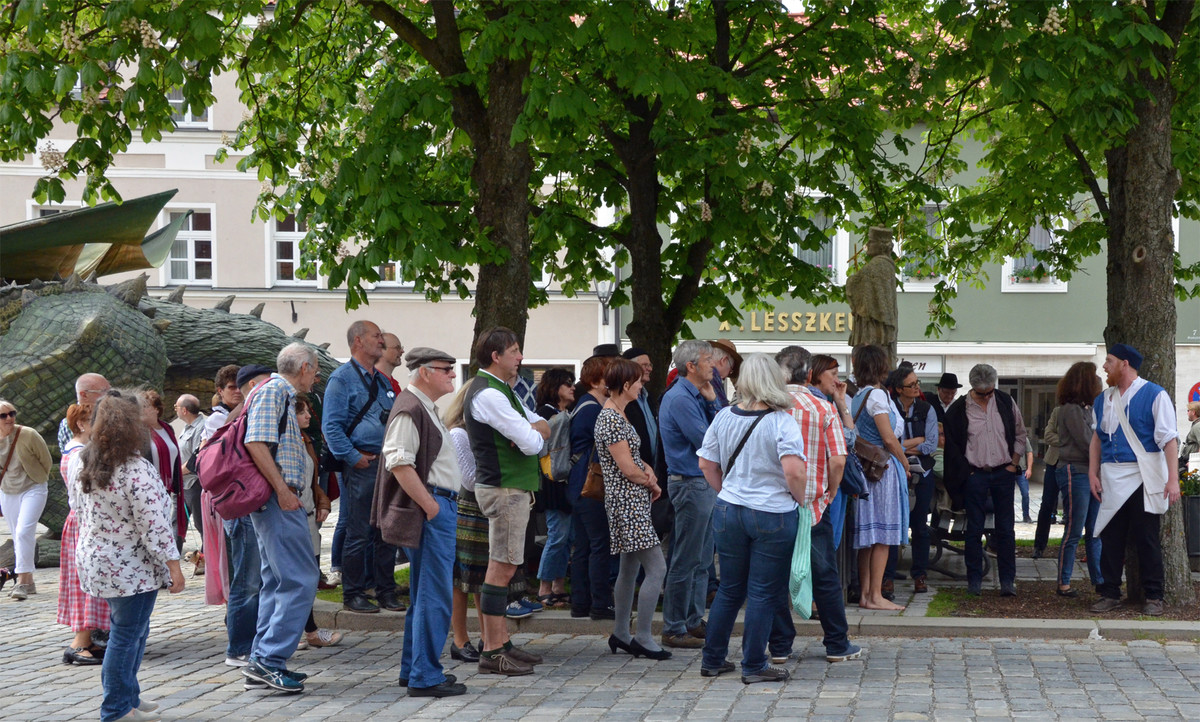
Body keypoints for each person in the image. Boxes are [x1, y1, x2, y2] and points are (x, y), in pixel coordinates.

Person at [70, 390, 184, 722]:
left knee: (132, 631)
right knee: (126, 635)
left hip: (101, 562)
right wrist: (174, 567)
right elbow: (154, 525)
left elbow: (78, 511)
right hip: (130, 567)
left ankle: (128, 696)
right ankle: (117, 708)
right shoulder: (135, 468)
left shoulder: (87, 461)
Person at [697, 354, 807, 685]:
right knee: (762, 591)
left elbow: (706, 465)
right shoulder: (781, 421)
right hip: (772, 512)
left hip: (729, 510)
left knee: (730, 588)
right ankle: (754, 663)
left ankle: (713, 658)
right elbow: (793, 470)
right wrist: (799, 499)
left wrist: (727, 491)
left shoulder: (723, 417)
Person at [463, 327, 550, 675]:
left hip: (510, 488)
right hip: (503, 488)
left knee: (504, 565)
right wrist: (534, 435)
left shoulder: (500, 391)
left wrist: (535, 433)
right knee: (502, 567)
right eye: (514, 351)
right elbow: (532, 441)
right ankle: (493, 648)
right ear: (495, 356)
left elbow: (540, 426)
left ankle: (499, 643)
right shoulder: (489, 395)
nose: (520, 357)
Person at [380, 347, 466, 697]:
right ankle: (425, 676)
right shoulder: (410, 407)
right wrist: (431, 507)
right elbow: (398, 462)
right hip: (434, 510)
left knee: (425, 596)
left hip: (438, 507)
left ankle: (416, 669)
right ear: (426, 371)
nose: (452, 375)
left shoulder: (420, 407)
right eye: (446, 369)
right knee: (435, 596)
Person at [240, 343, 322, 692]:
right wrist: (284, 491)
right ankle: (269, 660)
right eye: (315, 371)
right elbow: (256, 442)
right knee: (301, 578)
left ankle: (262, 660)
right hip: (277, 500)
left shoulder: (278, 393)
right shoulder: (275, 391)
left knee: (277, 580)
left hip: (275, 500)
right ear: (304, 366)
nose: (316, 378)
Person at [773, 347, 861, 664]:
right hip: (812, 504)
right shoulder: (822, 408)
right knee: (824, 575)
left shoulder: (765, 405)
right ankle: (836, 643)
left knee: (773, 576)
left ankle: (780, 645)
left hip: (772, 505)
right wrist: (831, 493)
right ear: (809, 375)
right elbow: (838, 459)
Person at [1089, 344, 1180, 617]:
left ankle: (1154, 595)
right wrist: (1093, 473)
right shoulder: (1102, 399)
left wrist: (1173, 479)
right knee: (1111, 537)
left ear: (1124, 364)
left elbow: (1169, 439)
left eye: (1109, 361)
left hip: (1144, 475)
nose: (1104, 366)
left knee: (1147, 538)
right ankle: (1110, 592)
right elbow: (1097, 439)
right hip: (1111, 476)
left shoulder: (1155, 394)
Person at [322, 320, 402, 614]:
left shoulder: (379, 380)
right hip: (362, 465)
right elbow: (331, 427)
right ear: (358, 341)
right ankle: (353, 593)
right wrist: (353, 456)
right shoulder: (342, 379)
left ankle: (385, 590)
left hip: (387, 464)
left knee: (386, 532)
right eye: (376, 336)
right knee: (358, 532)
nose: (381, 340)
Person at [596, 358, 669, 661]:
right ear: (625, 385)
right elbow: (627, 468)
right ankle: (643, 636)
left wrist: (648, 471)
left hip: (630, 501)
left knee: (630, 569)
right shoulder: (611, 419)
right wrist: (650, 481)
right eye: (638, 381)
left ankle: (622, 633)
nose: (642, 385)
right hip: (628, 503)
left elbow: (633, 457)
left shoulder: (617, 414)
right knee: (657, 568)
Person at [943, 363, 1029, 597]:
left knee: (1006, 530)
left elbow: (1021, 434)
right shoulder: (959, 409)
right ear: (972, 388)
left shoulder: (1004, 401)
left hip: (1004, 472)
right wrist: (967, 472)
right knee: (974, 530)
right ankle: (974, 580)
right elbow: (952, 448)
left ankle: (1008, 581)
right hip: (975, 474)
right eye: (981, 393)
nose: (985, 397)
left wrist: (1013, 463)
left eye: (989, 392)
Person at [658, 340, 722, 649]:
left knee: (701, 558)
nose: (714, 364)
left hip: (702, 483)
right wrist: (711, 405)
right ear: (691, 366)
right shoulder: (681, 399)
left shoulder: (695, 395)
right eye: (708, 359)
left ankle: (693, 619)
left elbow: (723, 428)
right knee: (685, 558)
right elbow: (711, 438)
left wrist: (711, 401)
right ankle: (673, 626)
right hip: (690, 483)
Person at [220, 364, 272, 669]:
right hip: (245, 507)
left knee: (253, 578)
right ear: (251, 384)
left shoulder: (249, 408)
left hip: (249, 505)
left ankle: (251, 643)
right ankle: (239, 648)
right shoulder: (244, 413)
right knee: (247, 580)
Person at [849, 346, 908, 611]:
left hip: (865, 471)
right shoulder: (877, 397)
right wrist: (904, 462)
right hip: (882, 472)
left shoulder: (858, 395)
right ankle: (875, 595)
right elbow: (888, 437)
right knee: (882, 536)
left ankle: (865, 594)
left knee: (868, 537)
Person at [57, 404, 111, 665]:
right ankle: (78, 643)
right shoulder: (79, 453)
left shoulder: (75, 451)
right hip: (83, 522)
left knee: (87, 583)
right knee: (85, 584)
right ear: (81, 425)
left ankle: (86, 640)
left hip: (81, 521)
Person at [567, 355, 616, 620]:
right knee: (599, 544)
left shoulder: (584, 404)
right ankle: (600, 604)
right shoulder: (592, 408)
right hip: (589, 484)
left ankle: (580, 603)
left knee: (584, 545)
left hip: (578, 483)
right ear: (597, 380)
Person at [293, 395, 343, 651]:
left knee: (310, 574)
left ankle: (308, 629)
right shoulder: (285, 441)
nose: (309, 416)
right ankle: (298, 632)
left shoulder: (306, 439)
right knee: (294, 577)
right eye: (303, 412)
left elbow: (313, 480)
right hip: (292, 517)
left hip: (309, 516)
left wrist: (322, 501)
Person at [1053, 361, 1104, 597]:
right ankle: (1063, 582)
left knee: (1095, 530)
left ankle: (1100, 580)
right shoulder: (1071, 410)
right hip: (1076, 471)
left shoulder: (1086, 409)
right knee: (1074, 529)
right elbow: (1087, 442)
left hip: (1090, 473)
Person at [0, 399, 53, 601]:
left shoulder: (28, 434)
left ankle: (21, 582)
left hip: (33, 487)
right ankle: (29, 581)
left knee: (24, 531)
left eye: (12, 413)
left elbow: (46, 461)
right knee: (18, 535)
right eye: (3, 416)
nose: (9, 418)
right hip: (7, 490)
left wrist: (38, 478)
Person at [532, 367, 576, 608]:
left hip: (563, 482)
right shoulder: (545, 414)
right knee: (557, 536)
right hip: (551, 483)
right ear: (554, 388)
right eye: (567, 383)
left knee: (567, 537)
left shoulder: (564, 412)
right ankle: (544, 587)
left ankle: (558, 586)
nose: (572, 387)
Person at [894, 366, 937, 594]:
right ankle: (887, 576)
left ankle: (920, 575)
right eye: (912, 385)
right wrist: (912, 443)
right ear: (899, 389)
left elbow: (931, 444)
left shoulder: (926, 408)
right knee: (893, 524)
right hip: (896, 472)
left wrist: (900, 446)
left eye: (917, 382)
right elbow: (887, 442)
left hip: (923, 473)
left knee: (920, 526)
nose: (917, 387)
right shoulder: (890, 407)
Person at [138, 390, 187, 555]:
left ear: (156, 409)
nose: (141, 410)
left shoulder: (167, 429)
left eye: (146, 406)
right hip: (148, 489)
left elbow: (174, 454)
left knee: (165, 525)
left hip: (166, 489)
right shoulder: (139, 432)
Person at [174, 394, 207, 569]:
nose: (175, 410)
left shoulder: (201, 427)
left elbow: (196, 458)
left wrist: (177, 474)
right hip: (184, 484)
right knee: (177, 524)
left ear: (184, 410)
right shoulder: (187, 428)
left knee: (201, 526)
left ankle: (204, 561)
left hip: (194, 483)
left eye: (176, 407)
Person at [58, 373, 111, 451]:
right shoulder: (69, 423)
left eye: (110, 389)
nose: (110, 394)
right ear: (84, 395)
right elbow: (82, 456)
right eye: (104, 391)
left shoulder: (112, 412)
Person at [202, 364, 244, 442]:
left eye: (240, 386)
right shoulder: (216, 419)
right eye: (232, 387)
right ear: (220, 391)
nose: (238, 391)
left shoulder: (248, 412)